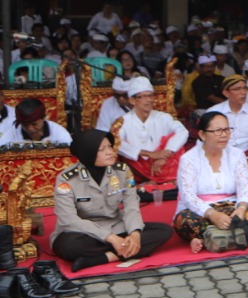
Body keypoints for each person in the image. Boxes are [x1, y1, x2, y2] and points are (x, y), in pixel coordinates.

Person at [51, 129, 174, 271]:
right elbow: (69, 220)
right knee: (68, 245)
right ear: (88, 152)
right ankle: (126, 250)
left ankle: (105, 257)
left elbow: (131, 206)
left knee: (163, 231)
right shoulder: (67, 179)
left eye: (110, 147)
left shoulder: (122, 171)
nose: (110, 152)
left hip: (116, 226)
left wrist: (134, 234)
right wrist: (110, 238)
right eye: (102, 149)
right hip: (83, 233)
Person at [173, 112, 248, 253]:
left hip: (232, 207)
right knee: (184, 219)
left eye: (227, 130)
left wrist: (241, 209)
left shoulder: (237, 154)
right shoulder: (189, 159)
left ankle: (208, 238)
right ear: (202, 135)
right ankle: (242, 232)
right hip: (203, 211)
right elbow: (188, 196)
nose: (224, 135)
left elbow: (245, 186)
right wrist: (212, 214)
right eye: (218, 131)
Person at [116, 79, 188, 184]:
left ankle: (159, 182)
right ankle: (161, 183)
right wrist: (149, 154)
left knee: (177, 145)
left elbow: (182, 132)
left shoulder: (163, 117)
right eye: (144, 96)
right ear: (132, 100)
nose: (149, 100)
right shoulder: (122, 121)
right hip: (138, 165)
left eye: (151, 96)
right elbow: (117, 143)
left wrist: (164, 155)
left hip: (163, 163)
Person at [207, 75, 248, 178]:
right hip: (219, 158)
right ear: (226, 93)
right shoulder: (214, 112)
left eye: (244, 88)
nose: (243, 92)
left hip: (246, 159)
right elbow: (204, 142)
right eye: (238, 89)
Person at [0, 98, 74, 146]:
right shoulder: (11, 134)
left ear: (43, 118)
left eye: (34, 124)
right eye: (25, 124)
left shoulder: (59, 132)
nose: (30, 129)